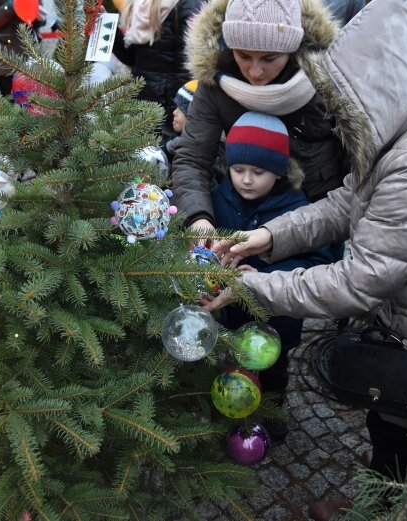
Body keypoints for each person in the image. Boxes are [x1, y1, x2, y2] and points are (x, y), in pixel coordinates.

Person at [202, 0, 407, 517]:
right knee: (389, 429)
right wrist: (269, 237)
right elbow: (348, 201)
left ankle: (381, 507)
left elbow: (360, 281)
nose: (336, 112)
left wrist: (256, 286)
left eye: (340, 99)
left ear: (373, 88)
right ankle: (379, 492)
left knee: (404, 435)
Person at [208, 111, 342, 439]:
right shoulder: (216, 200)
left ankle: (271, 411)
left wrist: (268, 275)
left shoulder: (298, 208)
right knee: (223, 365)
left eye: (258, 171)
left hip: (276, 320)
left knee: (273, 371)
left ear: (279, 171)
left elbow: (317, 261)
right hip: (224, 316)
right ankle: (221, 412)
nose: (247, 180)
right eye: (238, 170)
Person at [171, 0, 346, 235]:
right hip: (239, 213)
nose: (255, 71)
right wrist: (198, 218)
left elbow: (359, 155)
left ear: (291, 49)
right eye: (243, 56)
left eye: (269, 58)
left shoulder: (329, 76)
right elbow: (192, 157)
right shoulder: (214, 82)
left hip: (318, 214)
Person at [112, 0, 203, 143]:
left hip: (168, 112)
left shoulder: (187, 5)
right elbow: (133, 59)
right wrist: (110, 29)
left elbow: (187, 69)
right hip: (141, 105)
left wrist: (178, 111)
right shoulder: (141, 5)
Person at [0, 0, 48, 96]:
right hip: (7, 60)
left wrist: (37, 18)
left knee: (37, 106)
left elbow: (43, 18)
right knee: (11, 107)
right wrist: (10, 6)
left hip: (32, 58)